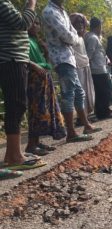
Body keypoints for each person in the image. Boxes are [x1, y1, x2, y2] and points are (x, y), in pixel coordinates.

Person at [43, 0, 101, 143]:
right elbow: (68, 36)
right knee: (68, 95)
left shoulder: (61, 11)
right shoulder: (50, 12)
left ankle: (86, 125)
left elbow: (73, 32)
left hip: (69, 57)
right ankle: (71, 132)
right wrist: (76, 38)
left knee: (79, 93)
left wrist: (74, 36)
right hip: (61, 58)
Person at [0, 0, 46, 174]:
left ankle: (11, 154)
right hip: (11, 60)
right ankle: (15, 157)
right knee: (17, 105)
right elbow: (23, 24)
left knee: (15, 105)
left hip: (13, 59)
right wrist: (31, 4)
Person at [26, 16, 66, 156]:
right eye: (33, 23)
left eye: (37, 23)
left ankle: (36, 142)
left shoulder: (37, 42)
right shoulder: (24, 40)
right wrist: (36, 66)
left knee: (44, 110)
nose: (36, 26)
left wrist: (47, 52)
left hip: (43, 78)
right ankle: (31, 144)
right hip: (34, 79)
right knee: (36, 110)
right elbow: (25, 59)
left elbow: (44, 60)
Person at [84, 17, 112, 120]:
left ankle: (103, 111)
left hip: (99, 68)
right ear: (98, 26)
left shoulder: (91, 36)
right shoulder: (92, 38)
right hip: (97, 69)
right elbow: (89, 54)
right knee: (103, 92)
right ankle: (103, 113)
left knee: (102, 92)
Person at [70, 13, 95, 116]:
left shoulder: (81, 37)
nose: (80, 25)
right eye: (77, 22)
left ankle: (86, 115)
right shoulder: (71, 37)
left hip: (85, 66)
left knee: (88, 92)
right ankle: (81, 117)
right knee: (80, 94)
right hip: (77, 67)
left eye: (81, 22)